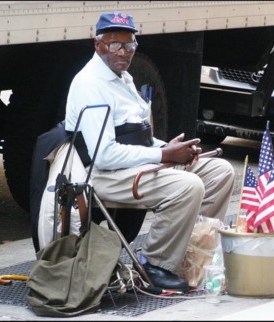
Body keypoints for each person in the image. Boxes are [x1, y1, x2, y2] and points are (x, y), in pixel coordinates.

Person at [65, 12, 235, 291]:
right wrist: (164, 156)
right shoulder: (91, 84)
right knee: (187, 185)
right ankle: (154, 265)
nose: (124, 52)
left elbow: (136, 136)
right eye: (114, 44)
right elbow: (104, 156)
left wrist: (167, 147)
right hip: (100, 175)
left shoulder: (122, 77)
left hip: (131, 165)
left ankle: (190, 260)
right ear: (98, 45)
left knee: (220, 172)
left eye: (130, 45)